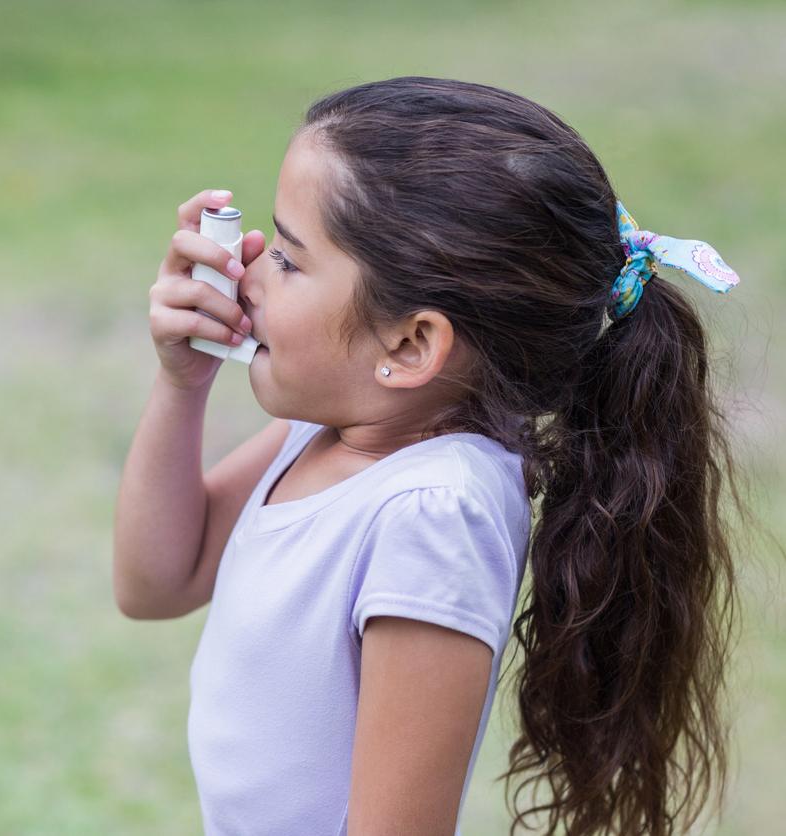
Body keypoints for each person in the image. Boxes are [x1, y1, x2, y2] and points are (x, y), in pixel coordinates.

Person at [112, 76, 749, 836]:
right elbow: (156, 583)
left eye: (286, 257)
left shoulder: (433, 511)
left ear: (410, 345)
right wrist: (183, 383)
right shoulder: (335, 432)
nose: (245, 275)